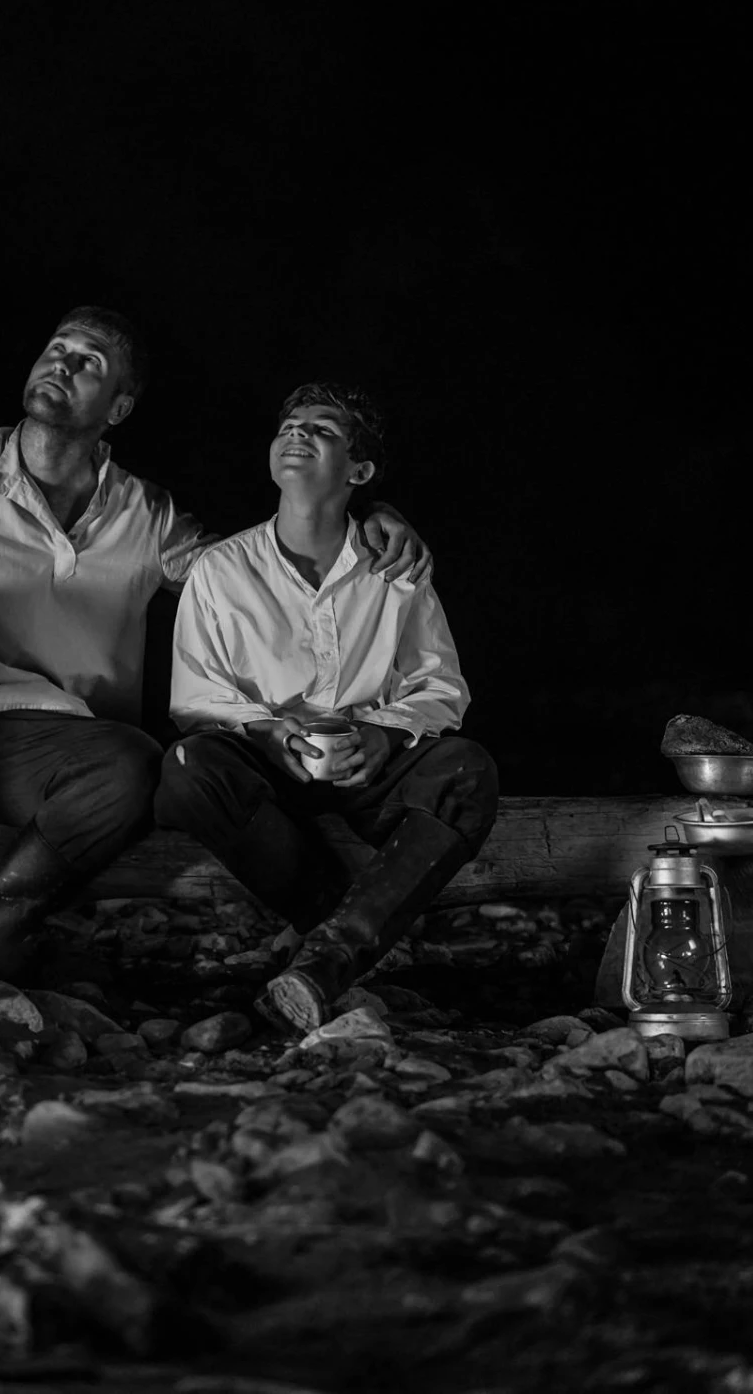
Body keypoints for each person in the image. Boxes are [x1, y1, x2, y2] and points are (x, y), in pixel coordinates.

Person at [0, 309, 432, 1000]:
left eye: (89, 363)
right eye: (56, 349)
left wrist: (365, 517)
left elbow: (253, 568)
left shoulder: (146, 514)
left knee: (135, 761)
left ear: (119, 406)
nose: (62, 365)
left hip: (44, 751)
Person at [154, 381, 495, 1032]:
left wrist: (382, 735)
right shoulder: (221, 571)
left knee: (466, 769)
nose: (297, 434)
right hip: (269, 771)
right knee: (188, 769)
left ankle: (326, 961)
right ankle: (353, 933)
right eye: (289, 425)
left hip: (368, 770)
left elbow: (442, 687)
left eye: (323, 429)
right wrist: (268, 734)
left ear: (360, 470)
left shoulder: (394, 567)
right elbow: (197, 698)